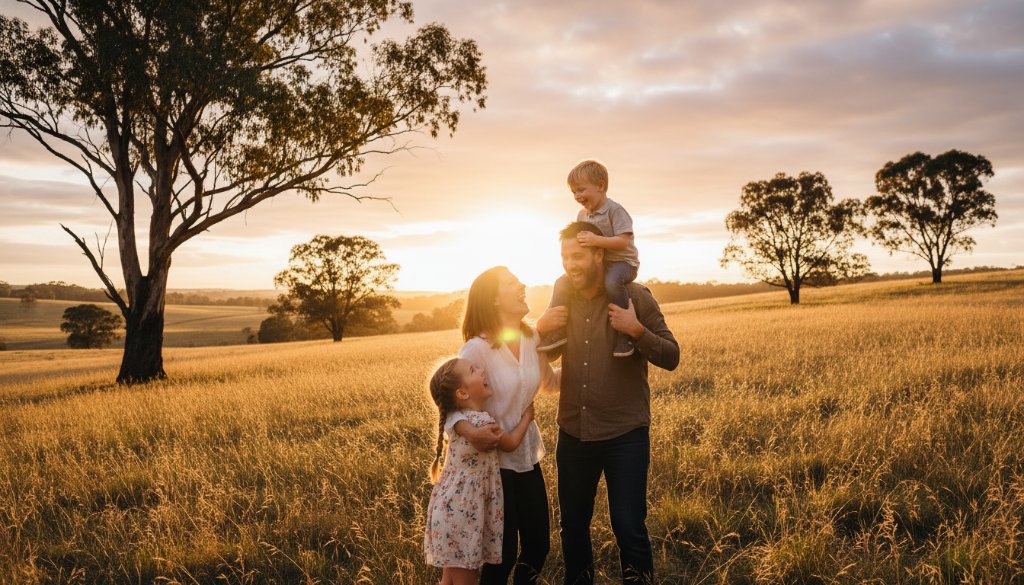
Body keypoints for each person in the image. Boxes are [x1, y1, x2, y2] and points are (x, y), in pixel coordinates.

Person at [538, 222, 679, 585]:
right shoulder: (562, 297)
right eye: (565, 256)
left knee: (629, 526)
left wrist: (635, 330)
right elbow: (534, 353)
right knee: (573, 525)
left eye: (578, 255)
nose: (570, 263)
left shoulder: (634, 296)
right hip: (573, 433)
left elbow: (671, 355)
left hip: (625, 434)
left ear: (599, 253)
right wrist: (537, 329)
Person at [456, 266, 559, 584]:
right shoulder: (476, 350)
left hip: (526, 457)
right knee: (501, 558)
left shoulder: (531, 338)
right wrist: (473, 430)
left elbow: (549, 382)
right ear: (494, 300)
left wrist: (596, 368)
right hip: (491, 465)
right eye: (512, 283)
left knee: (538, 547)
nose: (522, 284)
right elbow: (453, 405)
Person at [424, 357, 536, 585]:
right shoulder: (482, 423)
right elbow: (511, 442)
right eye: (473, 370)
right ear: (462, 394)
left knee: (450, 578)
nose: (482, 370)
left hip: (449, 509)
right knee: (466, 579)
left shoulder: (456, 419)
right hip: (463, 515)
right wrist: (527, 418)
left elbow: (454, 417)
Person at [538, 159, 641, 358]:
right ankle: (558, 332)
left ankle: (623, 336)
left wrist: (596, 239)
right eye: (574, 192)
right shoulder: (582, 215)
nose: (577, 196)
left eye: (581, 190)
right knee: (561, 283)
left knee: (612, 282)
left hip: (623, 263)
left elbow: (622, 243)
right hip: (600, 264)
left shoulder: (615, 211)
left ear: (601, 186)